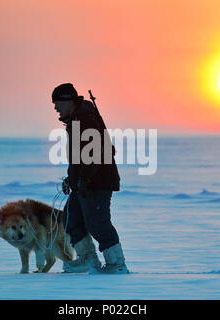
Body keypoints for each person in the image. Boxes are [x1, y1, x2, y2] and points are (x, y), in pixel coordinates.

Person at [51, 83, 129, 274]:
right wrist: (72, 179)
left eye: (57, 103)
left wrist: (84, 180)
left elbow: (100, 152)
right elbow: (80, 157)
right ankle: (88, 260)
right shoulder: (76, 119)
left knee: (97, 222)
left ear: (68, 101)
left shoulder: (85, 120)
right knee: (71, 217)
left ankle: (116, 264)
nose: (55, 107)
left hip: (97, 182)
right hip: (84, 182)